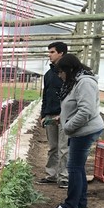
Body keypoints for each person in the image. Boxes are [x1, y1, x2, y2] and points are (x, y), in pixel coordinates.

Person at [50, 54, 104, 208]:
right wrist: (63, 117)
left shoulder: (85, 82)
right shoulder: (77, 80)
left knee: (73, 167)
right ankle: (80, 203)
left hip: (84, 130)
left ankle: (71, 206)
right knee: (78, 167)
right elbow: (76, 106)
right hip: (80, 129)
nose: (60, 75)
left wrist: (68, 126)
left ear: (70, 69)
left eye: (61, 72)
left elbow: (86, 111)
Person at [38, 42, 69, 188]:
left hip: (64, 115)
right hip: (51, 114)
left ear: (61, 53)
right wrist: (43, 114)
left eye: (52, 52)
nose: (49, 55)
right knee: (52, 147)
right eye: (49, 52)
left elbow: (70, 97)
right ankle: (51, 175)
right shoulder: (49, 74)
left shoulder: (67, 73)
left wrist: (64, 114)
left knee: (64, 147)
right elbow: (45, 95)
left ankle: (64, 177)